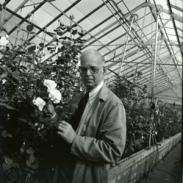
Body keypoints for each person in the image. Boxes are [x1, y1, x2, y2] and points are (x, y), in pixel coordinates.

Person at [56, 49, 126, 183]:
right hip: (65, 172)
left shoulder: (113, 105)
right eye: (83, 69)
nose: (87, 74)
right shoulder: (78, 98)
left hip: (86, 177)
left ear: (104, 70)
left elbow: (113, 150)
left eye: (93, 69)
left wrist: (75, 140)